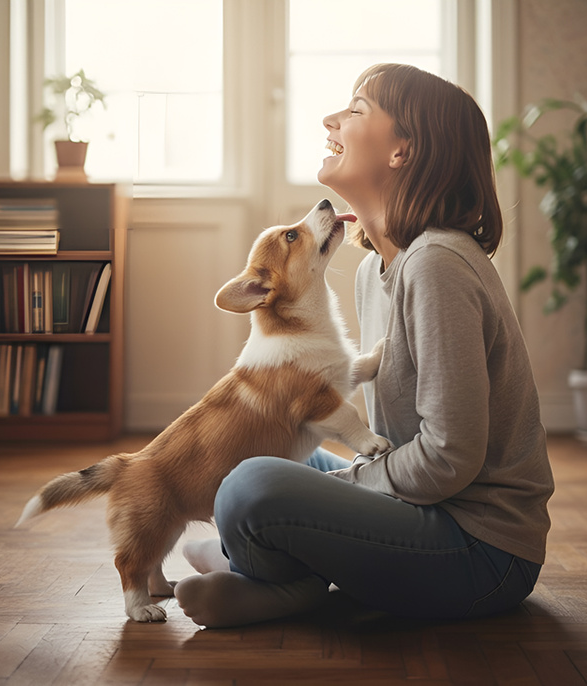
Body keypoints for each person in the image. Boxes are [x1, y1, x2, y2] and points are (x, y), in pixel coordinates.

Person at [174, 63, 554, 628]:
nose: (330, 120)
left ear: (402, 150)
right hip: (421, 506)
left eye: (355, 110)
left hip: (480, 550)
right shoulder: (373, 270)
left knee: (249, 488)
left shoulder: (437, 265)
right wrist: (329, 484)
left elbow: (450, 457)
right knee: (262, 453)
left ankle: (278, 582)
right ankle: (278, 577)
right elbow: (393, 446)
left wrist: (333, 487)